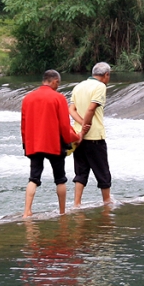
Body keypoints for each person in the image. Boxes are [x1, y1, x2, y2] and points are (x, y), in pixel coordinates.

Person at [20, 70, 81, 218]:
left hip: (34, 144)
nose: (58, 86)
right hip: (54, 144)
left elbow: (24, 124)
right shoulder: (58, 98)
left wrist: (25, 143)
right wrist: (74, 138)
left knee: (33, 178)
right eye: (58, 83)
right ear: (54, 81)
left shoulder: (28, 98)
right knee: (60, 179)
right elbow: (64, 125)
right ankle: (62, 212)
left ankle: (27, 211)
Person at [68, 62, 113, 207]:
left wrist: (81, 126)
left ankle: (76, 204)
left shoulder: (79, 86)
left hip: (78, 137)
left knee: (81, 172)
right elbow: (91, 109)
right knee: (103, 172)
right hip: (94, 137)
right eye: (109, 76)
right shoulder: (100, 87)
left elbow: (71, 109)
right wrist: (86, 126)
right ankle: (107, 202)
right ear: (106, 75)